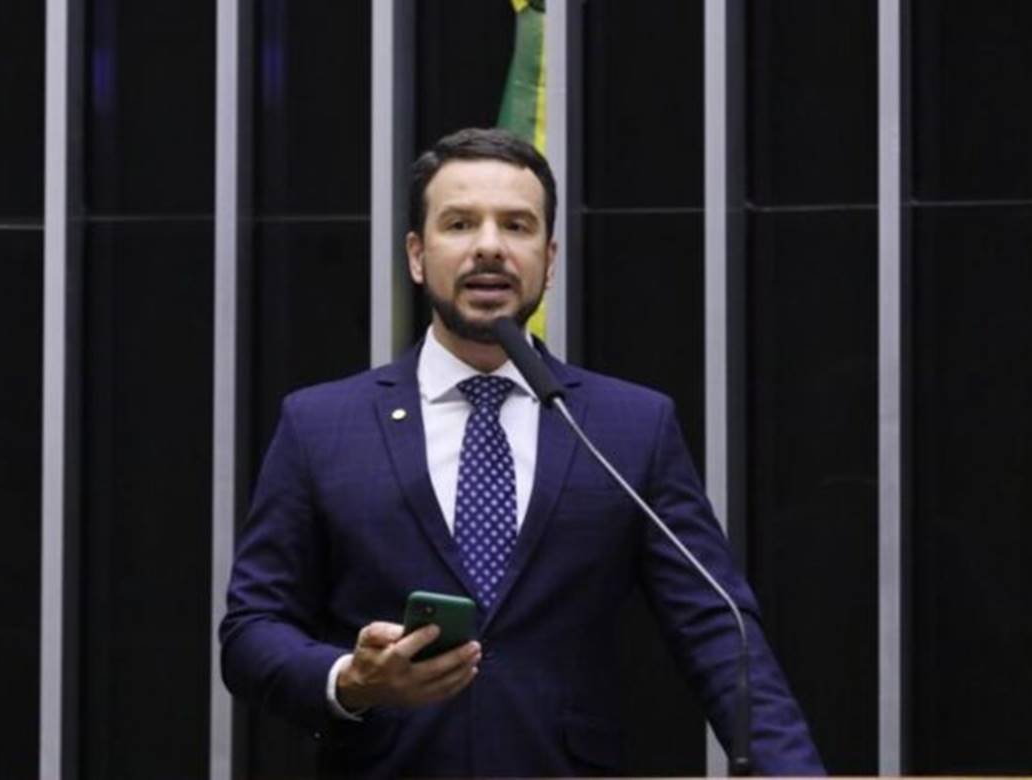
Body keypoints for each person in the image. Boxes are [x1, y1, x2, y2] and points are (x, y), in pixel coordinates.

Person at [220, 127, 824, 777]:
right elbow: (251, 631)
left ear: (549, 259)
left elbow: (718, 630)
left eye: (517, 226)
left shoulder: (628, 426)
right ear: (417, 256)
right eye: (460, 224)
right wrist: (352, 679)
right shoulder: (321, 424)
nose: (489, 247)